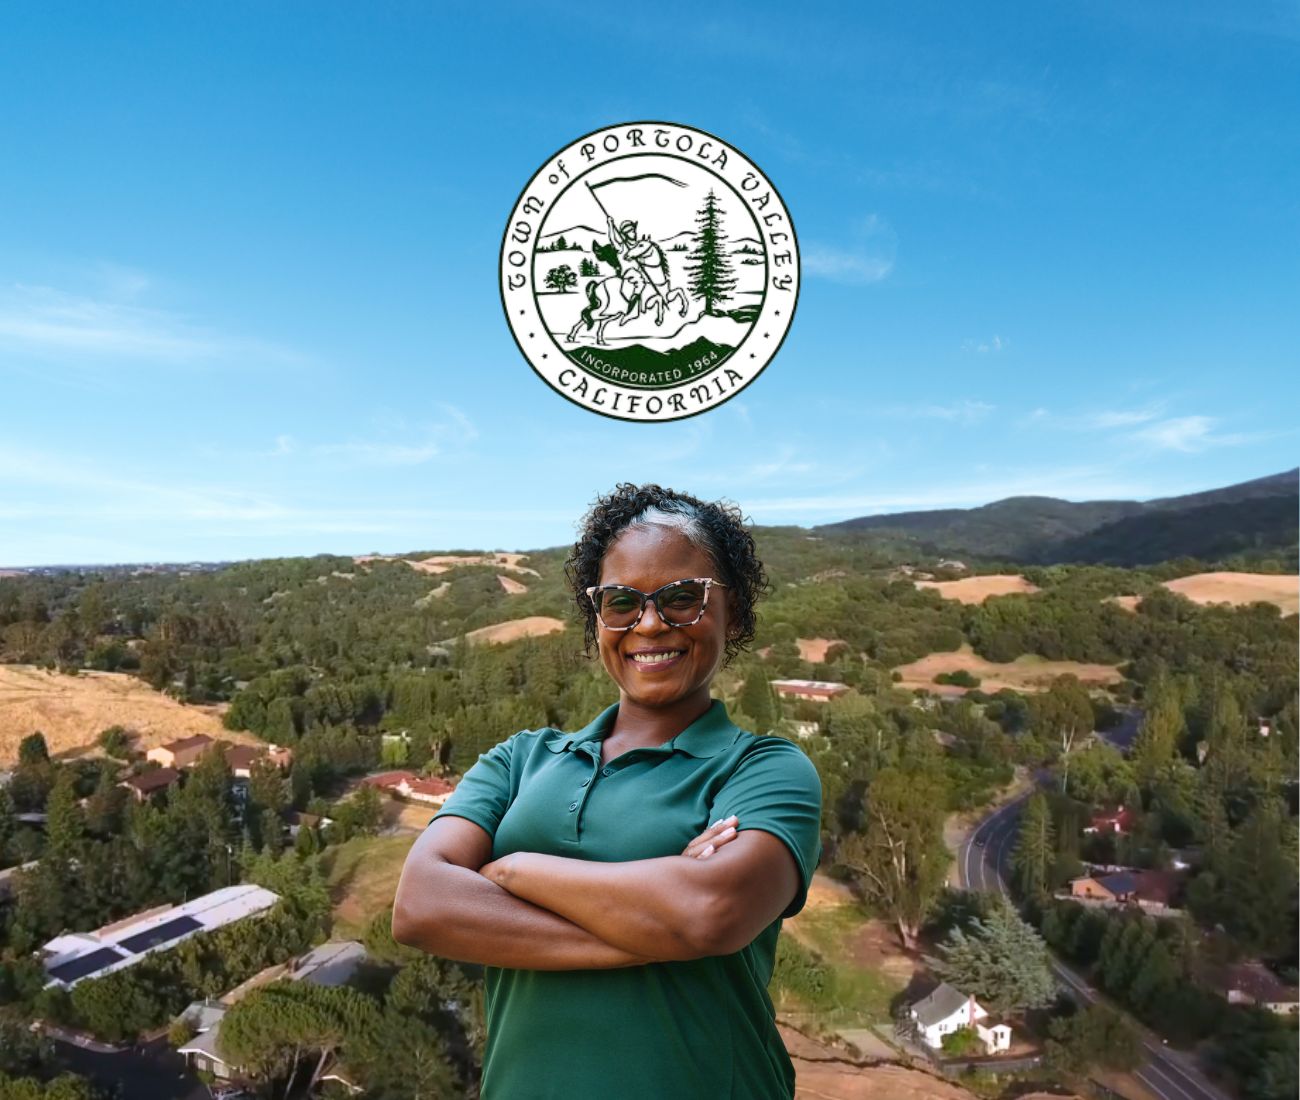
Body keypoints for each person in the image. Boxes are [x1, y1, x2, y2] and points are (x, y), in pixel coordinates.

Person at [392, 484, 823, 1099]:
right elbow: (421, 906)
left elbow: (710, 912)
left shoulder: (762, 769)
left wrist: (514, 869)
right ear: (598, 618)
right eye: (621, 601)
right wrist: (655, 926)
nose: (649, 623)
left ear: (735, 610)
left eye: (682, 598)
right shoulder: (520, 759)